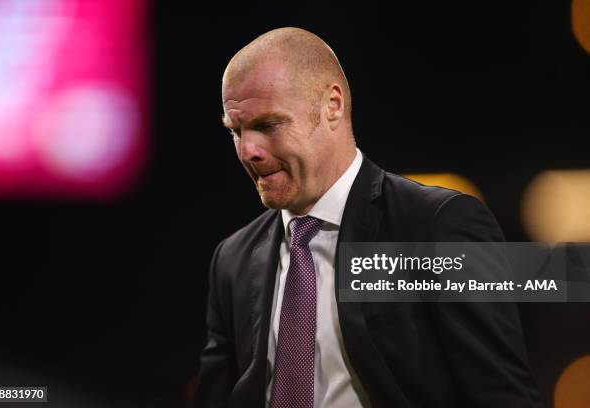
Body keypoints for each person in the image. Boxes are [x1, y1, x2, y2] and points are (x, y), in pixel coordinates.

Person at [195, 27, 543, 408]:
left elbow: (502, 396)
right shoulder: (232, 259)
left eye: (267, 125)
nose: (248, 150)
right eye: (236, 130)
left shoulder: (436, 227)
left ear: (332, 105)